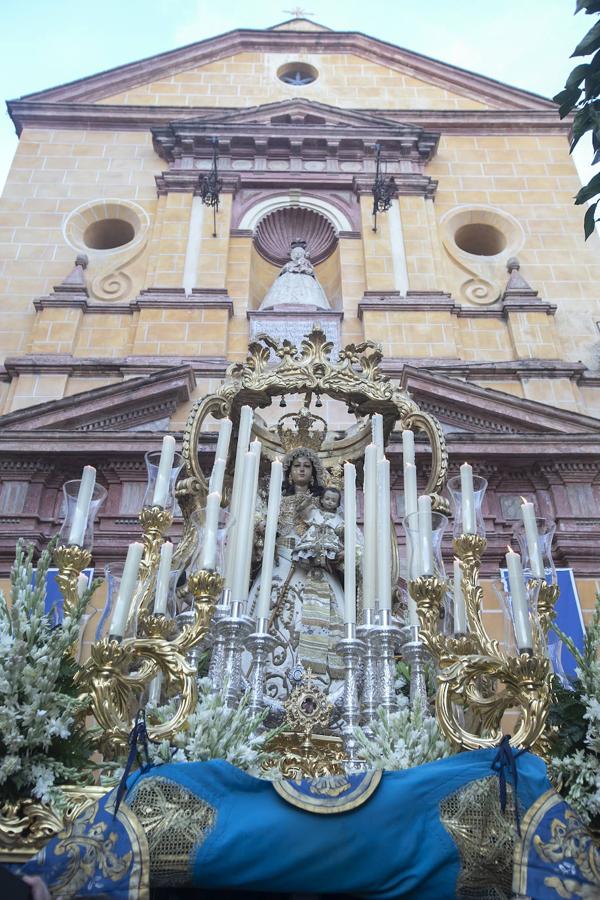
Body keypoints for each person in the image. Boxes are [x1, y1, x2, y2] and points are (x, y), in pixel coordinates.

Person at [247, 449, 345, 702]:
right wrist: (263, 528)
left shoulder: (323, 504)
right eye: (296, 466)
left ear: (313, 473)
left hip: (312, 570)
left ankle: (316, 687)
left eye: (307, 466)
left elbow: (334, 533)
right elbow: (262, 533)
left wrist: (319, 548)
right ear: (288, 473)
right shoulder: (277, 502)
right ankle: (262, 684)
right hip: (279, 568)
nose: (301, 469)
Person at [259, 241, 330, 311]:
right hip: (288, 279)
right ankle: (283, 302)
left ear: (303, 254)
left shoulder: (305, 262)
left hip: (305, 280)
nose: (297, 254)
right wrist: (292, 268)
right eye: (295, 253)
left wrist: (303, 268)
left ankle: (307, 303)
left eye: (300, 253)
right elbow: (283, 270)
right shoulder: (289, 264)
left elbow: (310, 270)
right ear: (292, 254)